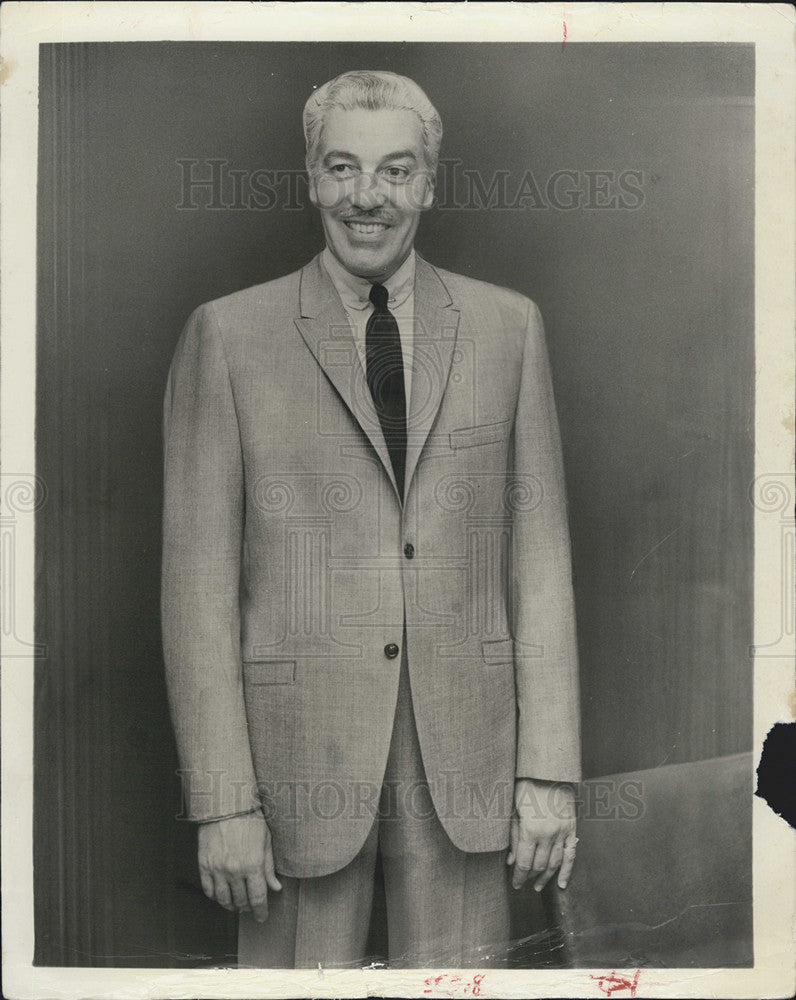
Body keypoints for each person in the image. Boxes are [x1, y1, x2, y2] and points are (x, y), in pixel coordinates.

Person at [161, 69, 581, 969]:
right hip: (289, 774)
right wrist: (223, 799)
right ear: (310, 177)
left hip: (467, 765)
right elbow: (196, 591)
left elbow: (537, 563)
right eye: (343, 168)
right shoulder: (227, 337)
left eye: (395, 171)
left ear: (430, 183)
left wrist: (548, 771)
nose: (367, 197)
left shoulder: (511, 329)